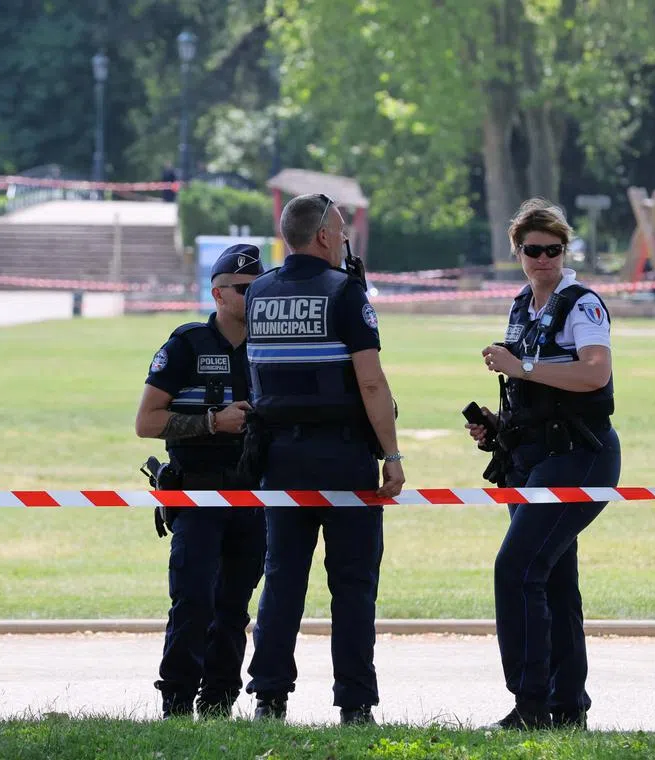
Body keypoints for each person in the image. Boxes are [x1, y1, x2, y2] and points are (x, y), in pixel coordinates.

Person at [241, 193, 405, 726]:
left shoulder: (259, 292)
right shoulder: (345, 294)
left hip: (278, 458)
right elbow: (371, 381)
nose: (343, 237)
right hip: (342, 456)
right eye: (339, 229)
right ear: (323, 237)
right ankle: (355, 703)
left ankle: (268, 696)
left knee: (282, 578)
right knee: (353, 583)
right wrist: (392, 454)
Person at [467, 198, 622, 731]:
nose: (543, 259)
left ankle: (530, 704)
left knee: (517, 570)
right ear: (518, 252)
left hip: (581, 456)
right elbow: (530, 391)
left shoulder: (582, 304)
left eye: (552, 250)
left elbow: (593, 374)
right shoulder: (520, 307)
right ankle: (567, 706)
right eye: (532, 250)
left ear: (564, 249)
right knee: (553, 578)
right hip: (531, 459)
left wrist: (523, 366)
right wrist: (496, 424)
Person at [135, 243, 267, 720]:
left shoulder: (272, 346)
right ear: (218, 293)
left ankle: (219, 702)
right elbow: (147, 422)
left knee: (234, 606)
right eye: (243, 290)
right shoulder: (188, 344)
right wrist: (213, 422)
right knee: (193, 601)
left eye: (260, 289)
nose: (254, 298)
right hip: (197, 491)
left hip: (256, 494)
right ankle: (176, 701)